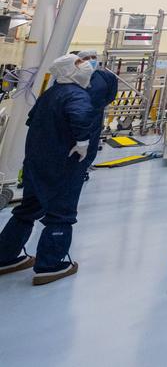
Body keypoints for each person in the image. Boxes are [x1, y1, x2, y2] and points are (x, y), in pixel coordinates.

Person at [0, 53, 96, 285]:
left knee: (28, 209)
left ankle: (5, 256)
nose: (86, 66)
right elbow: (81, 116)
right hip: (62, 163)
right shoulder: (76, 95)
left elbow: (32, 121)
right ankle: (50, 265)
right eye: (79, 63)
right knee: (61, 213)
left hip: (36, 162)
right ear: (69, 71)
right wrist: (83, 142)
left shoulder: (50, 94)